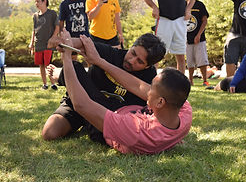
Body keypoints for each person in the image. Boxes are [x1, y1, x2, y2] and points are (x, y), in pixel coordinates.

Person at [58, 29, 192, 154]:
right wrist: (67, 42)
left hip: (109, 116)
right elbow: (138, 86)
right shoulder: (185, 114)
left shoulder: (134, 129)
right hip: (112, 110)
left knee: (75, 69)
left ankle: (85, 119)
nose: (147, 93)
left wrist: (67, 56)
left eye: (139, 61)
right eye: (133, 53)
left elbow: (82, 105)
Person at [42, 33, 166, 142]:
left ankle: (60, 76)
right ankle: (62, 77)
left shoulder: (149, 77)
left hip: (106, 113)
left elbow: (153, 100)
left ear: (147, 66)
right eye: (132, 53)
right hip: (81, 98)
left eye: (140, 61)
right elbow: (82, 44)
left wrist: (98, 61)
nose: (132, 61)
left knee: (101, 134)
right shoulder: (112, 54)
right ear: (131, 46)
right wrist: (64, 42)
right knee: (50, 133)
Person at [144, 0, 196, 74]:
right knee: (157, 54)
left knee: (181, 55)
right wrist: (154, 7)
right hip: (163, 19)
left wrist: (188, 9)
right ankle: (151, 80)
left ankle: (180, 83)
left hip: (181, 19)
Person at [29, 0, 59, 90]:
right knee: (41, 65)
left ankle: (53, 84)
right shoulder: (35, 16)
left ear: (44, 1)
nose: (36, 4)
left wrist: (53, 38)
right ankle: (45, 84)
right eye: (35, 2)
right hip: (38, 44)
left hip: (48, 44)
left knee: (48, 64)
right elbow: (34, 30)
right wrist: (31, 43)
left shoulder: (52, 14)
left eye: (38, 1)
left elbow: (57, 27)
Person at [186, 0, 209, 86]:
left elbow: (205, 20)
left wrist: (199, 34)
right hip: (187, 39)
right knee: (189, 61)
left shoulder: (200, 4)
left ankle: (205, 80)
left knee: (202, 60)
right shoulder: (182, 5)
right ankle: (190, 80)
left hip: (199, 38)